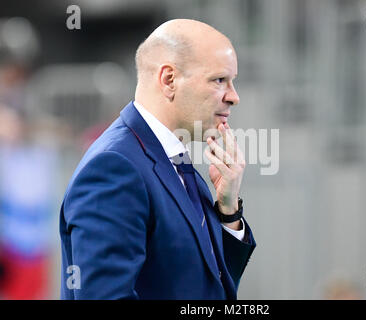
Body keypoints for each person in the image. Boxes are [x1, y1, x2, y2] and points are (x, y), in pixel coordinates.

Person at [59, 19, 256, 300]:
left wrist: (228, 211)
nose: (233, 97)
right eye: (219, 80)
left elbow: (212, 287)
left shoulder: (173, 159)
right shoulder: (115, 167)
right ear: (169, 80)